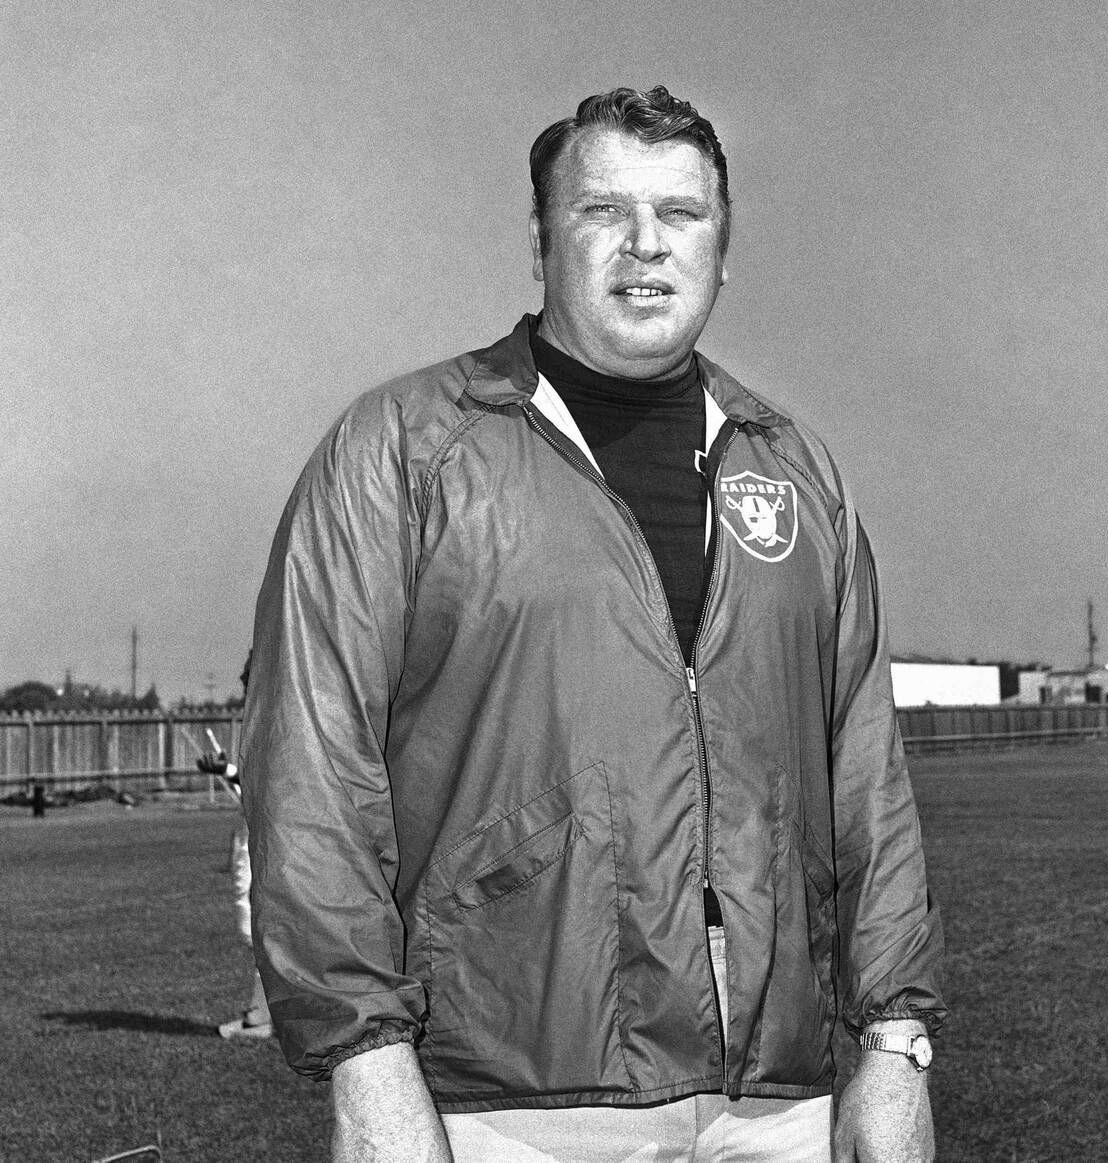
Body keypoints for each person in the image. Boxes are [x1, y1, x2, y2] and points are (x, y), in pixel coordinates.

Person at [241, 85, 946, 1162]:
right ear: (539, 240)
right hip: (509, 1101)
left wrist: (895, 1038)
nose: (646, 245)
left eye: (682, 213)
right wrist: (365, 1063)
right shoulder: (402, 451)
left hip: (776, 1104)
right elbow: (311, 768)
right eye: (602, 210)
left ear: (726, 246)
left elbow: (868, 776)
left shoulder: (792, 471)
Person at [198, 653, 272, 1043]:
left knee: (257, 925)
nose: (243, 682)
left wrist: (228, 771)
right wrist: (225, 769)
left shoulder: (278, 719)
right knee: (255, 925)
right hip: (254, 829)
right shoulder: (260, 719)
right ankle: (265, 1012)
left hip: (269, 835)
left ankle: (263, 1016)